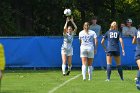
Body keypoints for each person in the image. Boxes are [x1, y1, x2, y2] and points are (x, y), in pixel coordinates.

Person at [132, 25, 140, 90]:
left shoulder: (136, 32)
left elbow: (133, 42)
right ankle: (137, 80)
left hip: (138, 51)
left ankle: (137, 80)